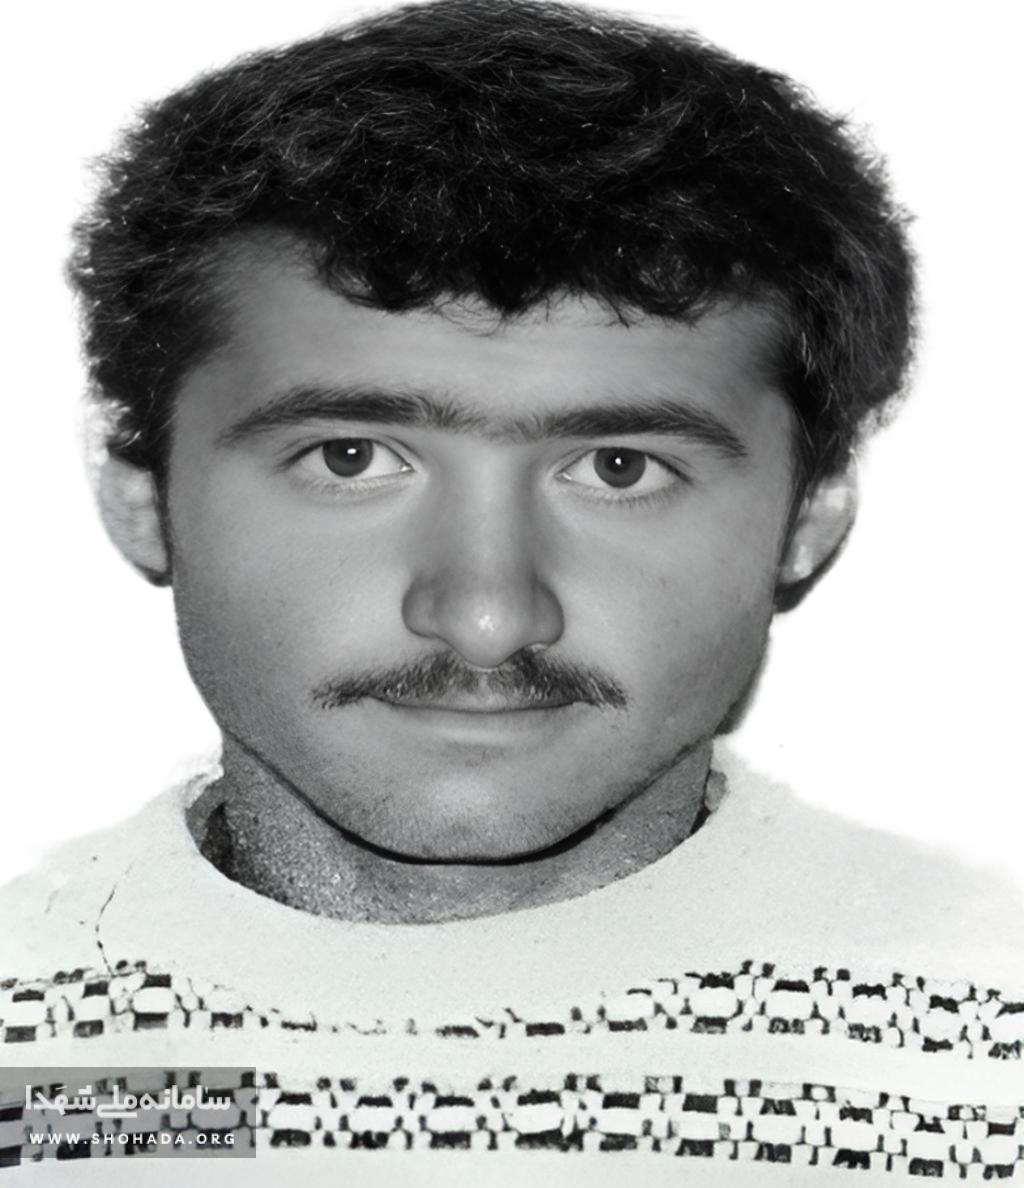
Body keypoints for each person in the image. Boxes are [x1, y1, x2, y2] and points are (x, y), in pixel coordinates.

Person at [1, 0, 1020, 1181]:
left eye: (618, 469)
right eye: (350, 458)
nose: (486, 616)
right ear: (139, 495)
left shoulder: (991, 1051)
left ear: (807, 518)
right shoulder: (31, 1060)